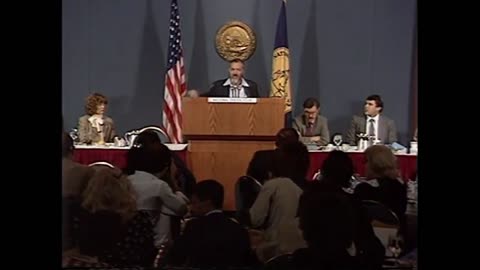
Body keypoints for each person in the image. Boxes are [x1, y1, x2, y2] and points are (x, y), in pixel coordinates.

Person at [167, 180, 253, 268]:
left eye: (194, 203)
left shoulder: (194, 227)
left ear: (207, 202)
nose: (191, 208)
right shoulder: (239, 229)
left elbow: (177, 257)